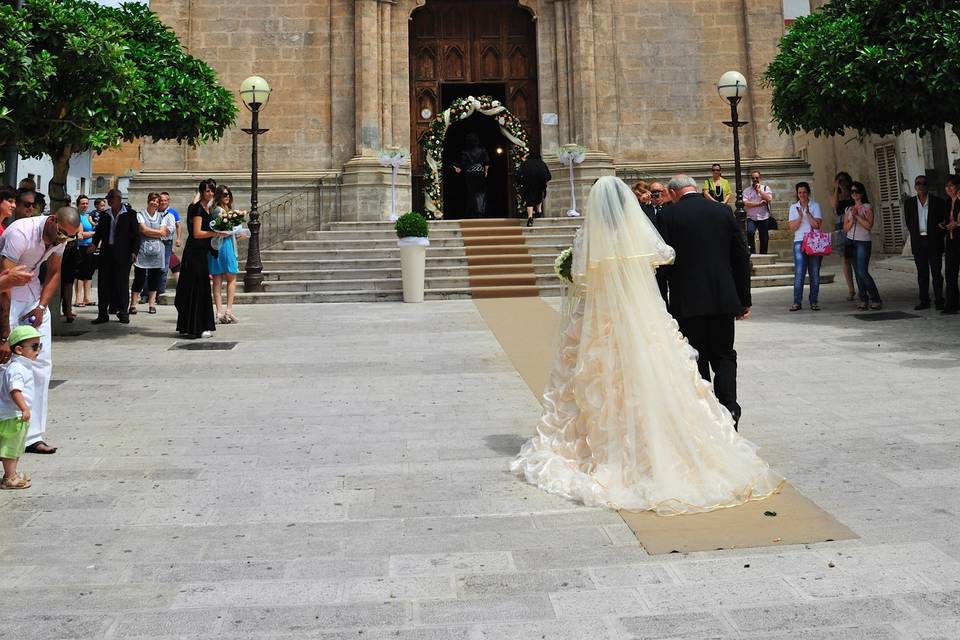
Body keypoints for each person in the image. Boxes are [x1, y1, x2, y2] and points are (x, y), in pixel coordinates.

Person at [510, 176, 781, 513]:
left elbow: (581, 276)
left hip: (604, 316)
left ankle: (606, 446)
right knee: (677, 367)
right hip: (645, 312)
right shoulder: (644, 229)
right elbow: (665, 258)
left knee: (598, 375)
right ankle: (708, 420)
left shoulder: (595, 237)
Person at [659, 175, 752, 429]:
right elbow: (741, 256)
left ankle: (707, 415)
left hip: (687, 302)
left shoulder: (668, 216)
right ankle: (730, 408)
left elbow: (662, 263)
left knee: (696, 358)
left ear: (673, 192)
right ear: (696, 189)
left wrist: (663, 301)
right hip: (723, 299)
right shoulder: (722, 211)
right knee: (724, 355)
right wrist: (743, 298)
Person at [0, 207, 82, 455]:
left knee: (40, 365)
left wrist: (42, 306)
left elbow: (55, 271)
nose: (61, 240)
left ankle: (33, 435)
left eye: (67, 237)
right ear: (53, 220)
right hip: (10, 299)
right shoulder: (20, 232)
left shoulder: (60, 237)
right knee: (8, 364)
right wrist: (4, 333)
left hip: (34, 298)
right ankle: (6, 431)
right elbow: (5, 280)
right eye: (60, 233)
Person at [176, 179, 224, 338]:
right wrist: (216, 233)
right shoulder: (197, 209)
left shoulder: (208, 209)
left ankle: (199, 325)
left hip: (201, 253)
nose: (210, 193)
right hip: (194, 253)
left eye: (212, 190)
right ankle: (196, 327)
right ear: (202, 192)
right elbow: (196, 233)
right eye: (207, 191)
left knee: (202, 288)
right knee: (197, 288)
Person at [0, 325, 42, 489]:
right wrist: (24, 408)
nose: (38, 350)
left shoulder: (23, 366)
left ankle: (11, 473)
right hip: (13, 415)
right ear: (18, 349)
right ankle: (10, 478)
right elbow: (14, 390)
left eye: (39, 346)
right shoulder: (17, 368)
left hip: (16, 414)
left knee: (17, 446)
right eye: (34, 347)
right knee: (11, 446)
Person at [90, 189, 140, 325]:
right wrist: (94, 244)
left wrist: (134, 252)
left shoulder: (130, 214)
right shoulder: (105, 215)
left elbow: (136, 236)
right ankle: (102, 314)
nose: (109, 201)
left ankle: (123, 312)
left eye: (111, 198)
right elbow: (98, 233)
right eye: (108, 198)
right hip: (107, 253)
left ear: (118, 198)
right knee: (103, 284)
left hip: (123, 254)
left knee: (122, 284)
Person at [903, 175, 947, 311]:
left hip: (934, 241)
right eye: (918, 183)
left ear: (928, 186)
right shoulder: (909, 203)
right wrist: (917, 236)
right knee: (922, 274)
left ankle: (939, 299)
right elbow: (909, 223)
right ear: (915, 186)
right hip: (919, 241)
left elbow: (943, 221)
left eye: (924, 183)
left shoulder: (938, 202)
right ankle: (924, 300)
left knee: (936, 273)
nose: (921, 186)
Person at [129, 193, 174, 316]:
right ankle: (133, 304)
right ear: (148, 201)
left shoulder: (162, 216)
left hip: (157, 251)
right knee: (139, 278)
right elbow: (143, 230)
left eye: (157, 201)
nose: (154, 203)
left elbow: (164, 232)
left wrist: (154, 232)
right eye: (152, 200)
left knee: (154, 278)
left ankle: (152, 304)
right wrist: (158, 232)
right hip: (143, 250)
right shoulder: (140, 214)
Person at [844, 181, 882, 310]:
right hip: (850, 241)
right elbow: (845, 228)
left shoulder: (867, 207)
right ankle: (863, 299)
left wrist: (857, 216)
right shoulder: (848, 209)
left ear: (861, 193)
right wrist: (852, 219)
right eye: (852, 191)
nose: (854, 194)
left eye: (857, 191)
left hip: (863, 242)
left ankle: (875, 298)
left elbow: (868, 226)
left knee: (862, 271)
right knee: (857, 272)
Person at [208, 185, 243, 324]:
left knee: (218, 280)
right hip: (224, 246)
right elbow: (225, 229)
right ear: (218, 196)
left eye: (228, 194)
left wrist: (238, 233)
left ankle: (220, 312)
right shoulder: (219, 210)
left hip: (220, 245)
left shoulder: (219, 210)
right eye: (224, 195)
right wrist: (235, 229)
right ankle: (226, 310)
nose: (227, 197)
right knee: (230, 278)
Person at [787, 182, 823, 311]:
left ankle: (814, 301)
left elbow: (817, 225)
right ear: (797, 194)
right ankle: (797, 301)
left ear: (808, 193)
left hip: (813, 241)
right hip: (800, 240)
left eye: (804, 192)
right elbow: (792, 228)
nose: (802, 195)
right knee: (799, 272)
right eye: (800, 192)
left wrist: (808, 214)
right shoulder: (793, 208)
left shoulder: (815, 206)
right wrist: (800, 217)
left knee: (814, 272)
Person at [640, 181, 671, 302]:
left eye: (659, 191)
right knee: (659, 286)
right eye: (653, 192)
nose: (657, 194)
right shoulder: (644, 209)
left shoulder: (670, 207)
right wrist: (641, 201)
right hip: (653, 255)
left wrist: (668, 199)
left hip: (669, 253)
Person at [831, 172, 856, 301]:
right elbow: (835, 206)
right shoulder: (837, 196)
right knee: (846, 259)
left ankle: (861, 287)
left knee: (857, 259)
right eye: (839, 181)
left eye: (844, 180)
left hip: (855, 227)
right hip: (841, 229)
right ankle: (851, 289)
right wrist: (836, 189)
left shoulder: (854, 193)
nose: (842, 183)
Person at [454, 133, 490, 217]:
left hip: (470, 174)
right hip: (480, 172)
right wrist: (486, 172)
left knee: (472, 193)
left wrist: (458, 168)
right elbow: (487, 161)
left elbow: (463, 164)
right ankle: (481, 211)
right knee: (481, 193)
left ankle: (475, 212)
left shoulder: (465, 152)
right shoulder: (483, 150)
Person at [156, 191, 181, 298]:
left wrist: (179, 239)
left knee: (164, 267)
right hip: (155, 241)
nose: (163, 202)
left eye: (165, 200)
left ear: (168, 201)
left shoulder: (172, 212)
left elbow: (178, 225)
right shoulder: (155, 211)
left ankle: (160, 291)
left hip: (167, 242)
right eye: (161, 200)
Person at [743, 170, 774, 254]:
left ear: (760, 178)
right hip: (751, 217)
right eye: (753, 178)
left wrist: (759, 191)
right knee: (750, 232)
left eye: (756, 178)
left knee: (764, 238)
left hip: (764, 217)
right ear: (751, 179)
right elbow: (746, 203)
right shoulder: (747, 190)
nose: (755, 179)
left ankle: (763, 254)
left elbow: (769, 199)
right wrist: (759, 204)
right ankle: (752, 253)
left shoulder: (765, 188)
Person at [942, 174, 960, 315]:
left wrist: (957, 224)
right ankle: (952, 304)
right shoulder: (947, 202)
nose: (948, 189)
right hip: (951, 239)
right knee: (950, 273)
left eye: (951, 186)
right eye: (947, 186)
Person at [74, 197, 96, 308]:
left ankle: (87, 298)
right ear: (78, 204)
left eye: (87, 203)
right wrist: (94, 233)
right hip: (81, 248)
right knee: (80, 274)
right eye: (82, 203)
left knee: (88, 274)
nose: (85, 205)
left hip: (89, 247)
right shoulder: (77, 217)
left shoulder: (87, 216)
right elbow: (80, 234)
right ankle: (78, 299)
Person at [519, 152, 552, 226]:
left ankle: (530, 218)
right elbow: (549, 176)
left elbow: (519, 174)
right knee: (539, 195)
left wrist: (521, 182)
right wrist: (543, 181)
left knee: (529, 199)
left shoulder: (525, 163)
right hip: (540, 183)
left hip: (528, 184)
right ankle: (539, 212)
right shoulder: (542, 163)